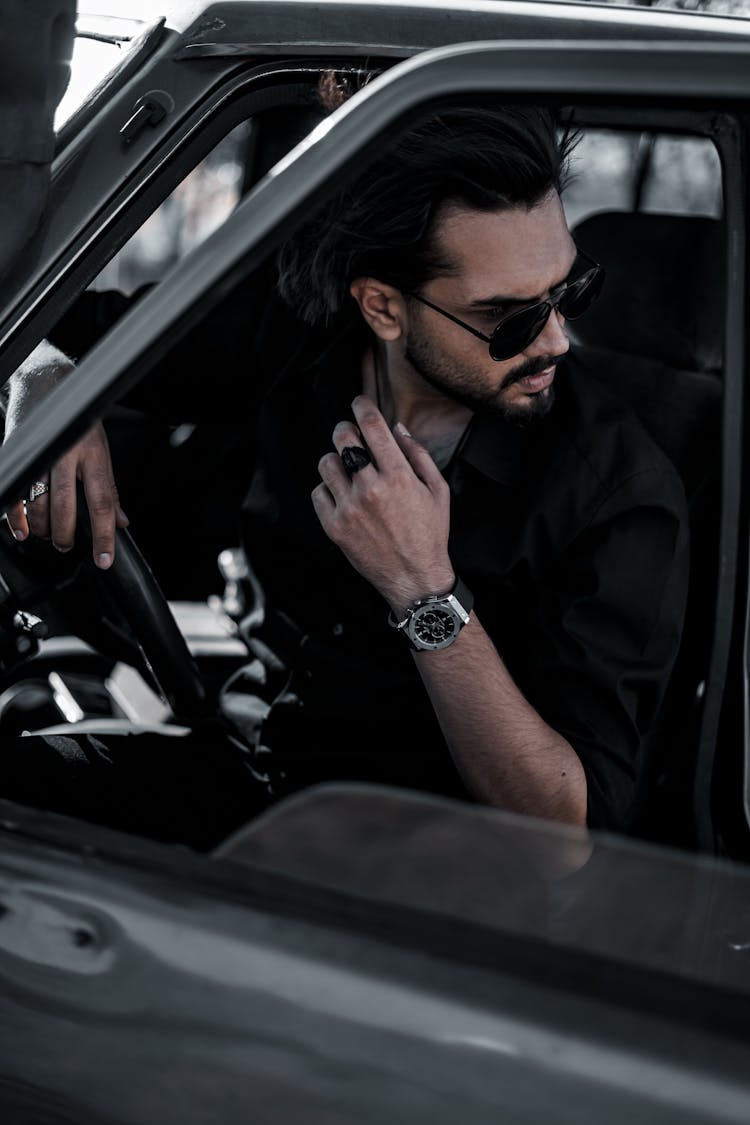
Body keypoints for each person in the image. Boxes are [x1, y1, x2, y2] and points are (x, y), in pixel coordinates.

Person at [1, 103, 689, 847]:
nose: (557, 337)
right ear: (383, 308)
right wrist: (45, 384)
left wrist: (424, 590)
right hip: (248, 767)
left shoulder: (613, 490)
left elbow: (564, 828)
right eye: (511, 317)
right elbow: (48, 327)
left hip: (426, 867)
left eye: (569, 290)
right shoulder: (297, 337)